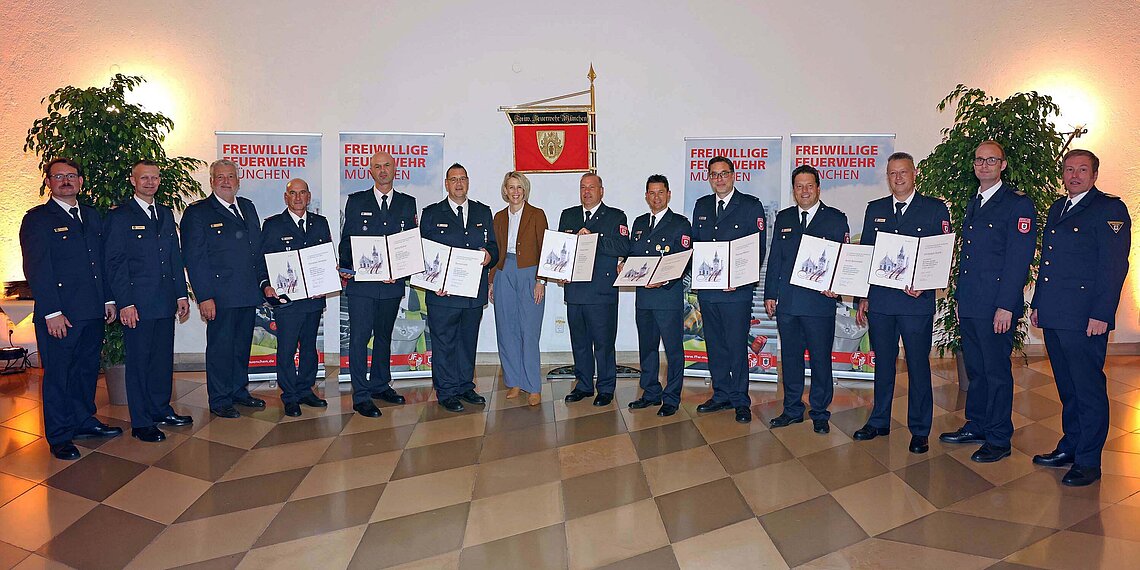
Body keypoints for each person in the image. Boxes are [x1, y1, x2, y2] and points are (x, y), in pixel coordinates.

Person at [1030, 149, 1130, 487]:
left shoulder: (1109, 209)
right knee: (1067, 387)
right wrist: (1039, 304)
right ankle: (1071, 445)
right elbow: (1049, 264)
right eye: (1069, 169)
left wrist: (1102, 313)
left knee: (1088, 389)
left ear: (1094, 175)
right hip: (1056, 313)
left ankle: (1089, 460)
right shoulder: (1058, 207)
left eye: (1082, 170)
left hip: (1086, 317)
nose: (1074, 176)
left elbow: (1114, 266)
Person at [938, 141, 1036, 463]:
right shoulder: (974, 201)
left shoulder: (1016, 204)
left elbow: (1018, 260)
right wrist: (959, 299)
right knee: (977, 370)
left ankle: (998, 437)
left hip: (996, 305)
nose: (984, 165)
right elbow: (969, 259)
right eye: (979, 160)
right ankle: (977, 424)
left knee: (996, 373)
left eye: (991, 160)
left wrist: (1006, 306)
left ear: (1003, 165)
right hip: (971, 302)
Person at [20, 158, 121, 459]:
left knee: (86, 371)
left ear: (81, 181)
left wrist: (108, 299)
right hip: (60, 315)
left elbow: (100, 262)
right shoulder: (38, 219)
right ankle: (60, 435)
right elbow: (37, 269)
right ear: (48, 182)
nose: (66, 180)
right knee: (59, 376)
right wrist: (51, 312)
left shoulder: (91, 215)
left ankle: (83, 421)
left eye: (71, 176)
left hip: (91, 310)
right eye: (58, 176)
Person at [853, 152, 951, 454]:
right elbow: (868, 253)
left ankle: (920, 430)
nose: (898, 178)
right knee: (883, 364)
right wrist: (863, 296)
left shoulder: (934, 209)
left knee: (918, 365)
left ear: (914, 173)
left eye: (903, 172)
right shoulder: (876, 209)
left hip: (915, 304)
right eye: (892, 173)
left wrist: (925, 285)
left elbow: (941, 255)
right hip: (881, 302)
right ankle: (879, 420)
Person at [104, 160, 193, 442]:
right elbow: (115, 264)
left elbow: (174, 257)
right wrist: (125, 303)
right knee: (139, 364)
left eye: (154, 178)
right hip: (137, 305)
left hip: (165, 302)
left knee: (161, 362)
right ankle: (142, 422)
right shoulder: (120, 216)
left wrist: (181, 294)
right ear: (133, 181)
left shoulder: (164, 213)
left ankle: (160, 409)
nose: (150, 182)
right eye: (144, 178)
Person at [763, 165, 849, 434]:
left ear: (818, 188)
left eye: (809, 185)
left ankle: (820, 411)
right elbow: (775, 258)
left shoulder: (835, 219)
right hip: (788, 303)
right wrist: (769, 294)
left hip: (819, 304)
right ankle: (792, 409)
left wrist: (837, 286)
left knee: (821, 359)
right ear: (793, 190)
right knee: (790, 359)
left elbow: (844, 260)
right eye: (799, 186)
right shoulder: (785, 218)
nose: (804, 191)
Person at [181, 159, 267, 419]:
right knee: (220, 349)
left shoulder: (248, 207)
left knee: (241, 347)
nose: (226, 181)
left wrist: (263, 283)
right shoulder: (198, 213)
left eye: (231, 176)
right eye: (220, 177)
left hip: (247, 292)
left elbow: (256, 251)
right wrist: (204, 296)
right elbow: (194, 259)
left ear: (238, 181)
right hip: (220, 296)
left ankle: (239, 391)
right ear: (211, 182)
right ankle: (219, 399)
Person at [339, 151, 414, 417]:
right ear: (370, 171)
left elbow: (409, 245)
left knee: (384, 336)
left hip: (392, 285)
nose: (382, 170)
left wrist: (402, 271)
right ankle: (361, 395)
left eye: (387, 165)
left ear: (395, 169)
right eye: (377, 166)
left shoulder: (407, 203)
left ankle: (380, 385)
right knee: (359, 339)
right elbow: (347, 240)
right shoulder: (357, 201)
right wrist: (346, 267)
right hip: (362, 286)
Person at [691, 156, 767, 423]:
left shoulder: (750, 206)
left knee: (736, 347)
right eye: (714, 174)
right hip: (709, 292)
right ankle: (721, 393)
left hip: (737, 292)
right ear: (708, 178)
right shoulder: (701, 206)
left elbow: (757, 249)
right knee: (715, 345)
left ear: (734, 175)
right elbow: (697, 247)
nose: (719, 179)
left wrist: (739, 278)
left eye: (724, 173)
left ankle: (740, 400)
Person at [419, 163, 498, 412]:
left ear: (468, 182)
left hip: (472, 293)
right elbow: (422, 254)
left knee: (467, 342)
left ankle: (465, 386)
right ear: (446, 184)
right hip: (442, 294)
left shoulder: (482, 212)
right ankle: (446, 391)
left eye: (463, 178)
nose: (459, 183)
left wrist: (489, 256)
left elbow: (493, 246)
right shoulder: (432, 213)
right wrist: (433, 283)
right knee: (444, 344)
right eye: (453, 179)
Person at [259, 179, 332, 417]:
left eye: (302, 193)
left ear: (309, 197)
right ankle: (289, 396)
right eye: (293, 193)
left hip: (313, 299)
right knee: (287, 349)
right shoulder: (273, 225)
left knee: (309, 348)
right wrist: (265, 285)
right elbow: (261, 261)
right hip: (286, 301)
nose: (298, 198)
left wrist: (326, 282)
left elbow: (326, 258)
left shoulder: (320, 223)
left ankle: (305, 390)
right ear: (286, 197)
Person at [558, 173, 630, 407]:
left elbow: (623, 246)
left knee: (603, 344)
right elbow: (561, 249)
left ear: (601, 191)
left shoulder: (615, 216)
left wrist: (594, 239)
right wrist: (560, 271)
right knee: (579, 342)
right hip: (575, 291)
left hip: (601, 292)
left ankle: (606, 388)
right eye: (583, 187)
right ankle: (583, 385)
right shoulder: (568, 215)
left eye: (591, 187)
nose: (587, 191)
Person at [625, 174, 691, 417]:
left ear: (668, 194)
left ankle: (671, 397)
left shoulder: (680, 223)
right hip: (644, 298)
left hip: (667, 296)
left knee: (673, 351)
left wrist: (664, 280)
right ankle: (651, 392)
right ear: (646, 196)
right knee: (648, 349)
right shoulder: (640, 223)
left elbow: (684, 260)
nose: (656, 197)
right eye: (651, 193)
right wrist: (624, 264)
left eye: (660, 192)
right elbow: (633, 254)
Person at [489, 171, 547, 407]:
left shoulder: (537, 214)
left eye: (519, 187)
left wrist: (541, 280)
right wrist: (492, 281)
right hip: (504, 272)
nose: (515, 192)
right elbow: (495, 251)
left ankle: (533, 386)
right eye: (511, 187)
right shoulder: (499, 217)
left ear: (525, 190)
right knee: (506, 329)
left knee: (529, 331)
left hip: (530, 272)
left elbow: (545, 249)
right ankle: (514, 381)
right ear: (505, 190)